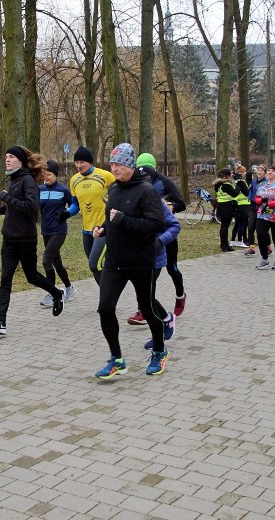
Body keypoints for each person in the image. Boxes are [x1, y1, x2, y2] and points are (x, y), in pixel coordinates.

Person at [93, 143, 168, 380]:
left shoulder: (147, 191)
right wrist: (103, 229)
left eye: (118, 164)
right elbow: (112, 218)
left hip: (140, 262)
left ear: (129, 165)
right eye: (112, 164)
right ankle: (117, 359)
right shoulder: (114, 189)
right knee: (105, 308)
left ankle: (159, 350)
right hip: (114, 261)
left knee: (147, 309)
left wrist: (124, 220)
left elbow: (157, 224)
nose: (113, 168)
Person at [0, 146, 64, 336]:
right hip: (9, 239)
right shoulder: (13, 179)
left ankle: (56, 293)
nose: (7, 159)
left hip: (26, 240)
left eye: (11, 156)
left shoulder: (28, 180)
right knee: (5, 280)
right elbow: (14, 209)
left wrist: (6, 197)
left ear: (20, 160)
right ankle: (1, 322)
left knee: (32, 277)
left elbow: (30, 207)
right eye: (6, 157)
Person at [128, 153, 187, 322]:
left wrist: (170, 207)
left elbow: (181, 203)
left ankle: (180, 295)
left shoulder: (164, 182)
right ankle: (143, 310)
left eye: (148, 169)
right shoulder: (135, 183)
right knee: (147, 273)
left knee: (171, 268)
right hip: (149, 236)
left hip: (166, 234)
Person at [60, 147, 116, 285]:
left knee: (94, 264)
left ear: (90, 162)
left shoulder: (106, 176)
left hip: (103, 228)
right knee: (95, 267)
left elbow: (119, 196)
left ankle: (109, 295)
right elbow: (75, 205)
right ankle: (107, 298)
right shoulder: (74, 180)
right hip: (86, 230)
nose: (79, 165)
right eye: (76, 162)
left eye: (82, 162)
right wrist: (66, 213)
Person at [140, 199, 181, 349]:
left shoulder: (153, 199)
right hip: (132, 257)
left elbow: (175, 225)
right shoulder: (121, 195)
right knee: (145, 299)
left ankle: (164, 324)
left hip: (153, 258)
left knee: (145, 299)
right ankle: (165, 320)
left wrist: (159, 242)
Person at [38, 160, 77, 307]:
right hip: (45, 230)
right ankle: (69, 288)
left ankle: (53, 293)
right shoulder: (39, 189)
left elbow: (74, 204)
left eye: (49, 174)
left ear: (56, 175)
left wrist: (66, 213)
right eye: (44, 174)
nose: (46, 177)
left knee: (46, 260)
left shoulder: (63, 190)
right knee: (56, 262)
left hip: (59, 230)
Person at [253, 164, 275, 270]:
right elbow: (257, 197)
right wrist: (260, 201)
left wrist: (270, 203)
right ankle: (265, 259)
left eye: (273, 171)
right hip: (262, 214)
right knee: (260, 234)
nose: (270, 172)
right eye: (269, 171)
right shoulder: (262, 184)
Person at [212, 168, 240, 252]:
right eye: (230, 174)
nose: (231, 176)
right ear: (226, 175)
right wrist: (238, 186)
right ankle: (225, 245)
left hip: (221, 206)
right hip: (227, 207)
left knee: (223, 226)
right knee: (225, 227)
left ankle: (223, 244)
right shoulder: (226, 185)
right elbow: (235, 193)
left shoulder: (218, 184)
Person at [244, 164, 268, 257]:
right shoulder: (254, 182)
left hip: (262, 208)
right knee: (250, 227)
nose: (259, 172)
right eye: (258, 170)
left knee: (261, 230)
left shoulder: (266, 182)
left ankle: (268, 246)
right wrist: (250, 198)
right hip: (253, 207)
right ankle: (251, 248)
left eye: (261, 170)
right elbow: (250, 191)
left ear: (265, 172)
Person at [231, 164, 251, 247]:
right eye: (244, 172)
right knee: (242, 224)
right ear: (242, 173)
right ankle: (240, 240)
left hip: (238, 204)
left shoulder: (236, 181)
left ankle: (232, 240)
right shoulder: (241, 182)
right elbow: (246, 193)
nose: (246, 173)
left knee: (237, 224)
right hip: (243, 205)